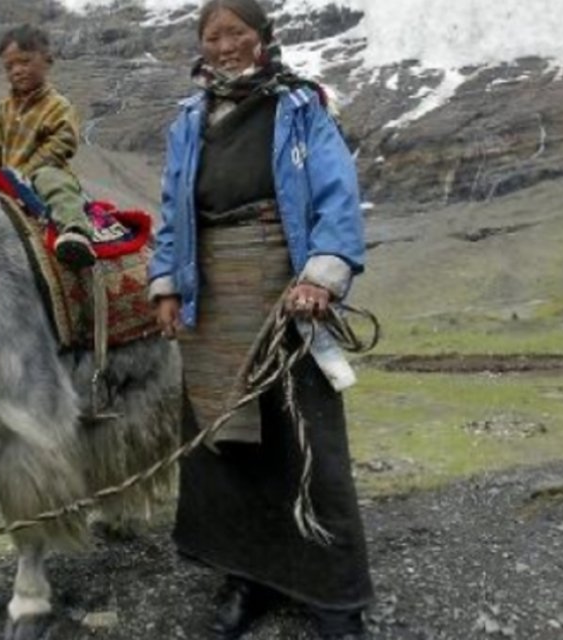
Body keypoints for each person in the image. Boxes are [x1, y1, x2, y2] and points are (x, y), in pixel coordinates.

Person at [148, 1, 373, 638]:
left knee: (305, 442)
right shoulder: (190, 120)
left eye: (236, 34)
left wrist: (320, 276)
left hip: (285, 290)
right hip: (209, 297)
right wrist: (167, 286)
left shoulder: (301, 107)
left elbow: (336, 194)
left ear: (263, 39)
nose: (223, 46)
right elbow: (172, 211)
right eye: (212, 36)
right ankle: (248, 578)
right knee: (227, 442)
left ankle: (336, 597)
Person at [0, 24, 96, 268]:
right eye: (9, 67)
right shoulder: (1, 110)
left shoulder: (57, 105)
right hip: (8, 181)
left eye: (25, 61)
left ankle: (75, 232)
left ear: (47, 60)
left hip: (44, 172)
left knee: (54, 182)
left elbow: (63, 140)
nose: (17, 71)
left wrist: (27, 171)